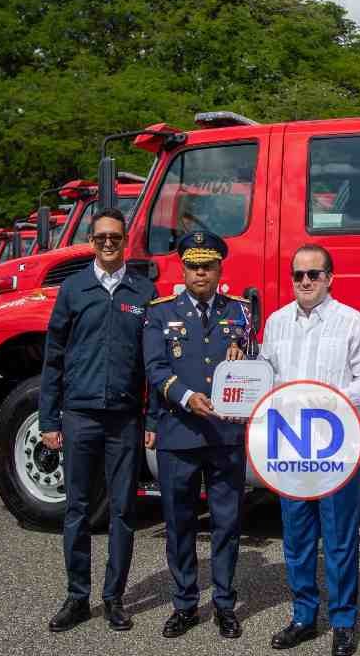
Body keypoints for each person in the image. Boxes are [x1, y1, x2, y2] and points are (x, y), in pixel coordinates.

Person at [259, 244, 360, 656]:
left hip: (335, 444)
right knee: (296, 537)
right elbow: (265, 379)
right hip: (288, 445)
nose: (305, 282)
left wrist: (332, 399)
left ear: (330, 278)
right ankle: (303, 616)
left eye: (314, 274)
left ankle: (343, 621)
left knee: (340, 537)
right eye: (298, 275)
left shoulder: (351, 322)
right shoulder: (275, 323)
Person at [39, 208, 157, 633]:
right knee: (77, 509)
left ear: (125, 242)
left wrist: (153, 419)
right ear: (92, 241)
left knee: (124, 510)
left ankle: (114, 598)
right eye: (102, 237)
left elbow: (154, 364)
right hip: (81, 417)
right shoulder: (73, 289)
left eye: (116, 237)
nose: (109, 243)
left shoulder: (143, 292)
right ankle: (76, 597)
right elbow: (53, 358)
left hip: (124, 419)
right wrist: (49, 419)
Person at [143, 231, 250, 640]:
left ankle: (224, 603)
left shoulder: (240, 312)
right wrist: (186, 397)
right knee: (180, 522)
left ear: (220, 268)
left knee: (226, 523)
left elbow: (256, 364)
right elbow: (154, 369)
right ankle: (184, 603)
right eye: (193, 265)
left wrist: (246, 355)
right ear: (183, 268)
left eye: (208, 265)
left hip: (225, 435)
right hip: (179, 433)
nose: (200, 272)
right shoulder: (160, 312)